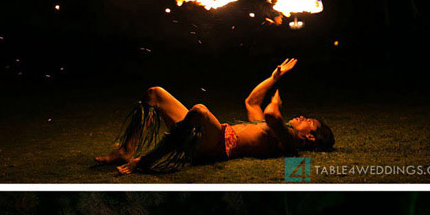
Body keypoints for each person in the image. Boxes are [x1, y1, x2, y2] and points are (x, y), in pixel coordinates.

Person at [94, 59, 335, 174]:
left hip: (216, 145)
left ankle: (144, 161)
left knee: (199, 110)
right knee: (154, 93)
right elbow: (251, 102)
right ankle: (127, 149)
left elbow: (271, 114)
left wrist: (275, 105)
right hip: (211, 134)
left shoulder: (290, 143)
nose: (302, 117)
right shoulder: (269, 128)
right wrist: (274, 78)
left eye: (308, 121)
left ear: (311, 138)